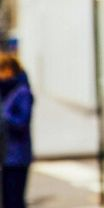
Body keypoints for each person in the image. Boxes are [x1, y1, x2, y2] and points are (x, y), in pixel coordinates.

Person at [0, 53, 33, 208]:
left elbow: (22, 122)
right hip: (6, 155)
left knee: (15, 200)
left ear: (9, 70)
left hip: (18, 156)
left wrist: (5, 117)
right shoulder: (4, 91)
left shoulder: (22, 92)